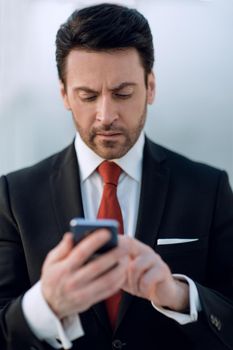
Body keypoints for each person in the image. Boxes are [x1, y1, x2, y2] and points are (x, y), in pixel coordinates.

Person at [0, 3, 232, 350]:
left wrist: (179, 295)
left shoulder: (208, 188)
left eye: (123, 94)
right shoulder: (13, 196)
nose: (105, 115)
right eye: (88, 96)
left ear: (150, 87)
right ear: (64, 93)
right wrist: (45, 305)